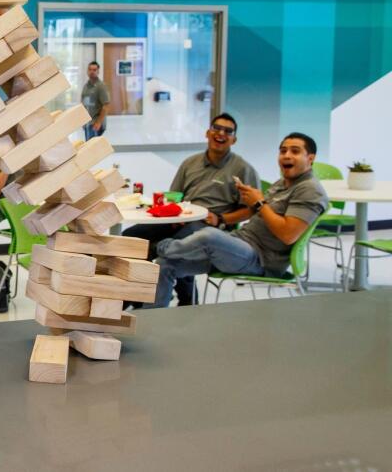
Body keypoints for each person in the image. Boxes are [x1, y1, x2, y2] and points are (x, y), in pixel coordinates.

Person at [146, 132, 328, 308]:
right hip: (240, 243)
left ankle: (158, 248)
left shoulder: (310, 190)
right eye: (283, 151)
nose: (286, 155)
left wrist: (259, 203)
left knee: (208, 236)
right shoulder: (283, 183)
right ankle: (152, 318)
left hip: (261, 259)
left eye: (295, 151)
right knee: (164, 265)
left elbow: (288, 235)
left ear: (310, 158)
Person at [123, 113, 259, 306]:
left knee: (164, 247)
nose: (221, 134)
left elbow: (250, 210)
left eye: (228, 131)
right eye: (216, 128)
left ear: (234, 139)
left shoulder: (243, 168)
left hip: (211, 227)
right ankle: (141, 298)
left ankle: (139, 301)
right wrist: (174, 211)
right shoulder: (190, 163)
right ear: (207, 132)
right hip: (180, 219)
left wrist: (221, 219)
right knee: (132, 237)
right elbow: (174, 195)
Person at [81, 61, 110, 140]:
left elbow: (106, 106)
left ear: (98, 71)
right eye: (90, 69)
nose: (92, 72)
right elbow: (83, 104)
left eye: (94, 70)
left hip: (95, 124)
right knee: (88, 147)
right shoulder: (86, 86)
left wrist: (99, 122)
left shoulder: (101, 86)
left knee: (93, 150)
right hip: (87, 123)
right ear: (87, 71)